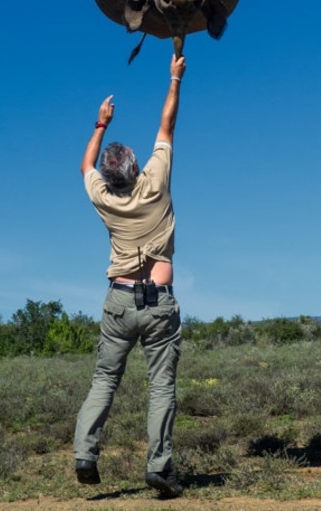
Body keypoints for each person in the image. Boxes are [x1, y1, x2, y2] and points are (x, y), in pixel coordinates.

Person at [73, 52, 186, 500]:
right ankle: (159, 467)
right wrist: (174, 78)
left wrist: (99, 125)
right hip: (158, 300)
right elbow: (167, 126)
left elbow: (85, 166)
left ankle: (86, 453)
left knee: (105, 379)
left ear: (109, 176)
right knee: (161, 385)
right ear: (136, 169)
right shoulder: (156, 183)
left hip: (118, 301)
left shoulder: (104, 199)